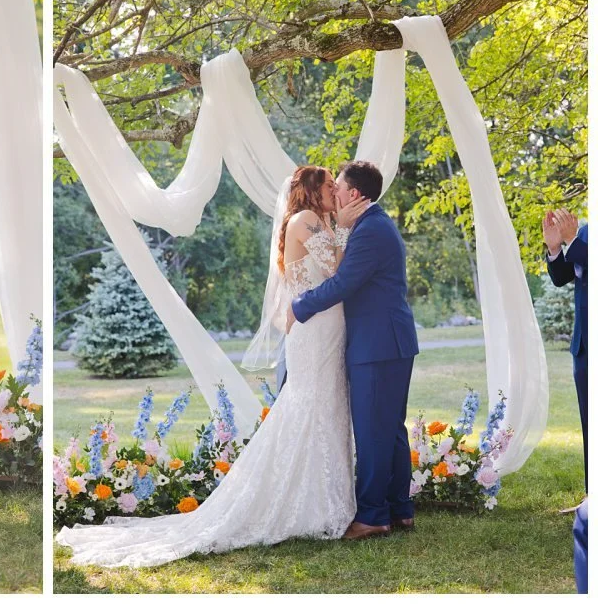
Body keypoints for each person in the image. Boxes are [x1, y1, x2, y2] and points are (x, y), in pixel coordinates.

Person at [56, 165, 368, 568]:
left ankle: (323, 500)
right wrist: (344, 228)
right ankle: (305, 505)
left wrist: (339, 226)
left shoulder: (316, 221)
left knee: (326, 408)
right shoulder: (306, 220)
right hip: (315, 332)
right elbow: (338, 272)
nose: (334, 192)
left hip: (328, 330)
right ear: (310, 191)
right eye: (328, 185)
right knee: (310, 407)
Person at [291, 160, 420, 539]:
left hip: (377, 344)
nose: (336, 193)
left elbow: (343, 283)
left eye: (340, 187)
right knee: (391, 429)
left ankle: (373, 516)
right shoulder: (372, 224)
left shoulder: (368, 230)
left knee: (373, 432)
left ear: (355, 194)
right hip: (388, 341)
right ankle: (400, 508)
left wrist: (300, 307)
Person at [544, 209, 587, 485]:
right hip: (583, 346)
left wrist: (573, 241)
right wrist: (555, 247)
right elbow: (563, 277)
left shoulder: (579, 235)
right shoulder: (584, 230)